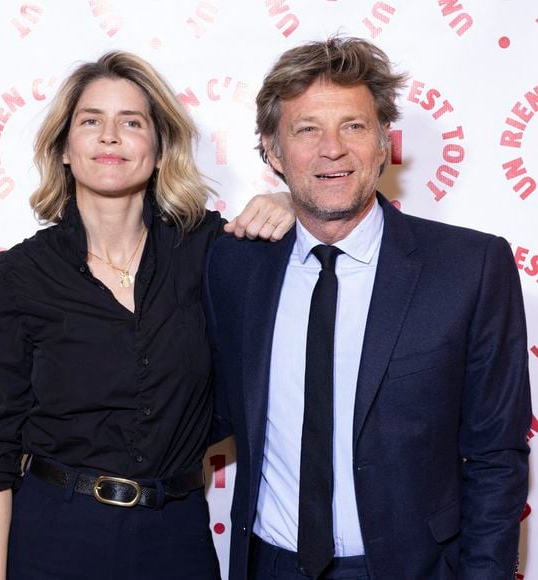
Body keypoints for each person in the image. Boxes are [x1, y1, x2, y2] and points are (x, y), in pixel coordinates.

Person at [204, 37, 531, 580]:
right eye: (307, 129)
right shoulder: (235, 266)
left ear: (384, 143)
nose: (332, 149)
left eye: (353, 126)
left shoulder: (470, 267)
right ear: (273, 150)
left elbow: (496, 455)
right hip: (268, 565)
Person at [0, 51, 295, 580]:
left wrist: (290, 201)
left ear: (159, 150)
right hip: (54, 537)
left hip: (178, 537)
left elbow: (314, 256)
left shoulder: (210, 252)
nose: (110, 137)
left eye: (131, 123)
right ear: (65, 149)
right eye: (91, 121)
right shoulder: (19, 277)